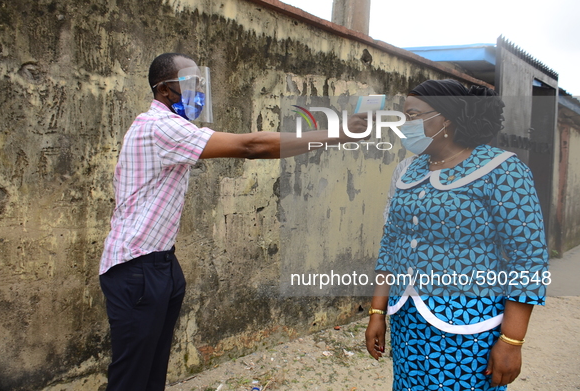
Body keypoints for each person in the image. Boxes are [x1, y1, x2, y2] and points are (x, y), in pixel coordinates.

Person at [99, 52, 370, 391]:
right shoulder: (160, 127)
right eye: (190, 85)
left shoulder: (172, 127)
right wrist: (337, 135)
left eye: (200, 85)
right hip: (137, 270)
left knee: (151, 372)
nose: (198, 93)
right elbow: (253, 146)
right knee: (131, 378)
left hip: (159, 264)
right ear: (166, 90)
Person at [365, 79, 549, 390]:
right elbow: (391, 244)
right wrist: (377, 312)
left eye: (413, 116)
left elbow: (528, 259)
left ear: (446, 118)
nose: (404, 125)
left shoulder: (503, 170)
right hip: (408, 319)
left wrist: (512, 340)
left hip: (470, 325)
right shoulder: (410, 170)